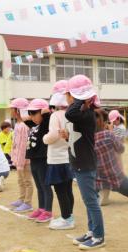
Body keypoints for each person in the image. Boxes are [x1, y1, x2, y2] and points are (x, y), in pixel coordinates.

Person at [63, 74, 105, 250]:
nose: (67, 98)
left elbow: (69, 112)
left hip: (85, 163)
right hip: (81, 161)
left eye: (69, 94)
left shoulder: (86, 114)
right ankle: (92, 230)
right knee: (89, 200)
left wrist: (80, 98)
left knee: (91, 201)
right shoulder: (83, 113)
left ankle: (99, 236)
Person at [43, 80, 75, 230]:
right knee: (67, 189)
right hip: (68, 157)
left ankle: (66, 219)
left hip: (56, 159)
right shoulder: (71, 113)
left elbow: (53, 135)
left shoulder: (56, 115)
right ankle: (69, 215)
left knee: (60, 190)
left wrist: (44, 139)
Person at [95, 109, 128, 205]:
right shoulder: (108, 134)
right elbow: (121, 149)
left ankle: (103, 192)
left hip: (98, 177)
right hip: (115, 175)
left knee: (102, 180)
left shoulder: (88, 138)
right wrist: (111, 133)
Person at [26, 99, 54, 223]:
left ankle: (48, 211)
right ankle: (42, 208)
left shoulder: (45, 125)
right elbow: (24, 118)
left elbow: (47, 117)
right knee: (39, 186)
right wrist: (32, 114)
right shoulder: (34, 125)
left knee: (45, 185)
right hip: (34, 160)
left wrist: (45, 113)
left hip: (43, 160)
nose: (32, 117)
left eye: (34, 114)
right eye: (30, 114)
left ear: (42, 114)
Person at [9, 98, 34, 213]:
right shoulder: (18, 124)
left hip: (24, 159)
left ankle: (28, 202)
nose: (10, 111)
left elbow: (23, 145)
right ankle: (21, 198)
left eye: (12, 108)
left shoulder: (24, 125)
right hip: (18, 158)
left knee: (27, 181)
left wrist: (20, 160)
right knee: (21, 180)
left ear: (17, 110)